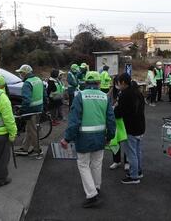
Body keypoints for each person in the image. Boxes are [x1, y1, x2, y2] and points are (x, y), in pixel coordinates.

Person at [61, 71, 115, 208]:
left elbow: (74, 121)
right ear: (98, 83)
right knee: (97, 163)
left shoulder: (80, 96)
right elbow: (111, 120)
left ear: (85, 82)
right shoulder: (105, 97)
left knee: (84, 165)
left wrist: (67, 139)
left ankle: (91, 195)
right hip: (100, 137)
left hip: (83, 138)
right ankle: (96, 187)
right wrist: (110, 137)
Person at [114, 73, 146, 184]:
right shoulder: (138, 92)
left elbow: (119, 113)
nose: (117, 85)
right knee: (137, 151)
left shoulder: (125, 95)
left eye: (118, 83)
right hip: (140, 126)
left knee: (131, 152)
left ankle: (134, 177)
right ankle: (138, 171)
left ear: (123, 82)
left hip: (130, 127)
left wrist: (116, 107)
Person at [14, 64, 45, 156]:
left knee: (33, 131)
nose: (20, 74)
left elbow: (26, 100)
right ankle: (25, 148)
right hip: (39, 108)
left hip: (31, 110)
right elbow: (44, 95)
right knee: (30, 129)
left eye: (21, 73)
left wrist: (21, 110)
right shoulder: (38, 80)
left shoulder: (27, 84)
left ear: (24, 73)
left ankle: (37, 150)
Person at [108, 75, 129, 171]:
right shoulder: (112, 91)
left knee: (126, 141)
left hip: (124, 120)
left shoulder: (126, 92)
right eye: (116, 83)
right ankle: (116, 161)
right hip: (115, 120)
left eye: (119, 83)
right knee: (115, 141)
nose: (118, 85)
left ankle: (127, 161)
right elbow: (107, 102)